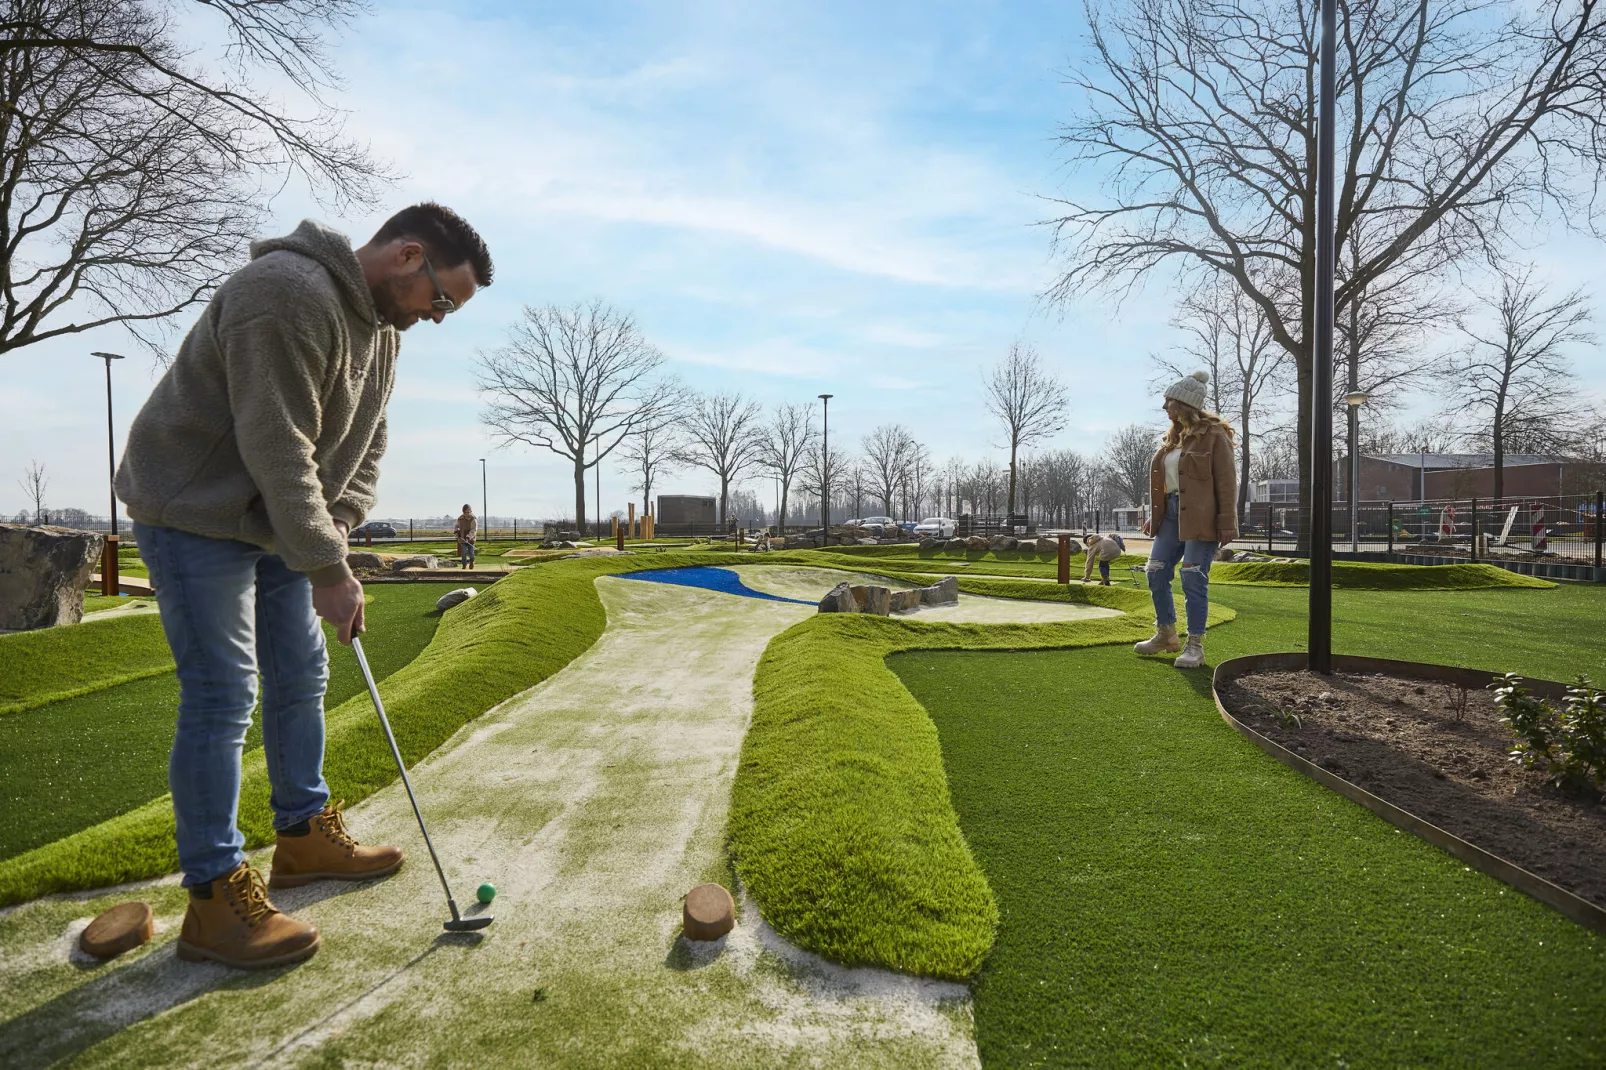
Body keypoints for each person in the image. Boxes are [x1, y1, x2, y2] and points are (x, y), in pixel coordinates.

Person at [115, 203, 493, 969]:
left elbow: (367, 447)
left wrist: (338, 539)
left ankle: (302, 836)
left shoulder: (385, 331)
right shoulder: (286, 291)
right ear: (407, 256)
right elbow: (275, 443)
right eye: (442, 300)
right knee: (224, 694)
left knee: (303, 674)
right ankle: (215, 899)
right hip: (196, 510)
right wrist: (325, 567)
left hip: (276, 521)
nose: (439, 318)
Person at [1134, 371, 1238, 669]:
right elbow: (1164, 484)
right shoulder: (1172, 440)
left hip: (1201, 517)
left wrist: (1226, 520)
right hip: (1169, 516)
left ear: (1183, 403)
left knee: (1193, 577)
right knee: (1155, 571)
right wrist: (1154, 517)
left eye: (1169, 401)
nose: (1165, 406)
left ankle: (1195, 646)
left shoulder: (1214, 435)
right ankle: (1166, 634)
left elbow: (1227, 481)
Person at [454, 504, 478, 569]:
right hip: (462, 538)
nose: (468, 513)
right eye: (467, 512)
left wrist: (468, 537)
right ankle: (464, 565)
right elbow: (456, 527)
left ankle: (472, 562)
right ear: (464, 512)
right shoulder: (460, 519)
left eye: (470, 511)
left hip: (471, 539)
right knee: (463, 552)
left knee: (471, 553)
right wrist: (457, 533)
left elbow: (473, 530)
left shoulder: (473, 519)